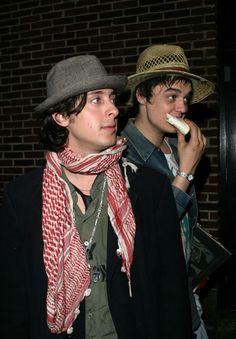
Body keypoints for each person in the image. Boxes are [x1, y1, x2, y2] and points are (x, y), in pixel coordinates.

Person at [0, 54, 192, 339]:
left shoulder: (149, 188)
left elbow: (171, 292)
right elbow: (13, 301)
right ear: (62, 116)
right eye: (97, 100)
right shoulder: (23, 197)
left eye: (112, 99)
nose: (113, 109)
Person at [121, 44, 215, 339]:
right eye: (171, 97)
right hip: (154, 299)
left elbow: (186, 221)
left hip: (186, 290)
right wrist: (186, 172)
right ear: (141, 96)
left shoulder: (178, 147)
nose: (183, 108)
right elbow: (144, 233)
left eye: (185, 99)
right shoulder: (122, 155)